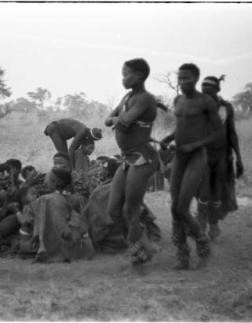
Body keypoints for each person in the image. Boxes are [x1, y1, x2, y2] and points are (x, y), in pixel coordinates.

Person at [160, 63, 223, 270]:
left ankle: (202, 243)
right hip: (179, 156)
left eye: (186, 78)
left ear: (196, 79)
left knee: (182, 207)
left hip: (197, 156)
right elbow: (182, 125)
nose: (182, 82)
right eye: (180, 78)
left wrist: (195, 145)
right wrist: (168, 138)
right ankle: (183, 255)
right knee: (174, 208)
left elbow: (217, 133)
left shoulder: (205, 101)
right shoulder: (178, 100)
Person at [104, 58, 159, 269]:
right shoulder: (128, 97)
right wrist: (119, 119)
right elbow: (109, 119)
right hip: (127, 160)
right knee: (113, 211)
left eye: (127, 74)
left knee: (130, 210)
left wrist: (120, 120)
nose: (123, 78)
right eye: (122, 74)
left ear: (140, 76)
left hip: (143, 159)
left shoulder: (145, 99)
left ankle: (138, 256)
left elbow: (124, 122)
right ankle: (142, 243)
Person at [196, 75, 244, 241]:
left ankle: (214, 224)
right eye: (203, 91)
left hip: (222, 157)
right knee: (203, 193)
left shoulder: (226, 108)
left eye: (209, 91)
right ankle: (201, 227)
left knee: (217, 194)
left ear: (217, 90)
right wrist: (171, 138)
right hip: (202, 155)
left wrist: (239, 159)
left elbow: (232, 133)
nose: (205, 95)